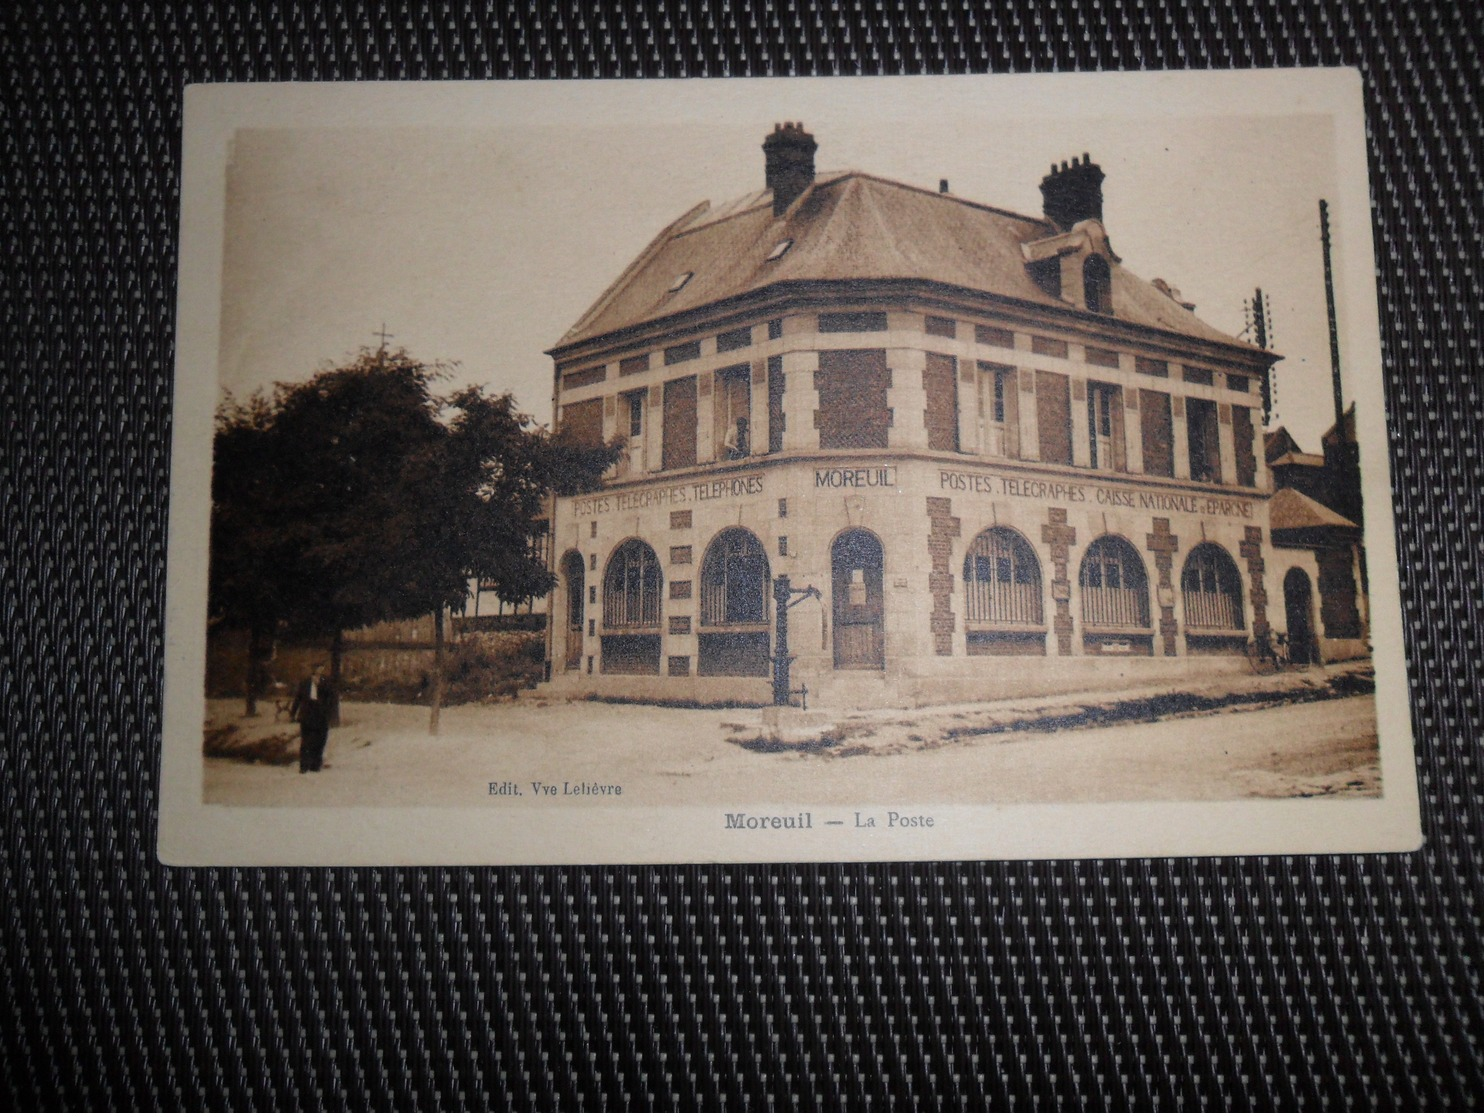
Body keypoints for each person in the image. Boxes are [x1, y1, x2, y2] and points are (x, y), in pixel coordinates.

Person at [289, 660, 336, 773]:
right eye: (316, 668)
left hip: (321, 715)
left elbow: (331, 698)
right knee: (306, 741)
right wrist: (293, 713)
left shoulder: (327, 682)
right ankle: (304, 766)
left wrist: (319, 685)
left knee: (320, 741)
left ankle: (315, 765)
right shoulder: (304, 683)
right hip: (307, 715)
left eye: (321, 668)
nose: (318, 671)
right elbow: (298, 698)